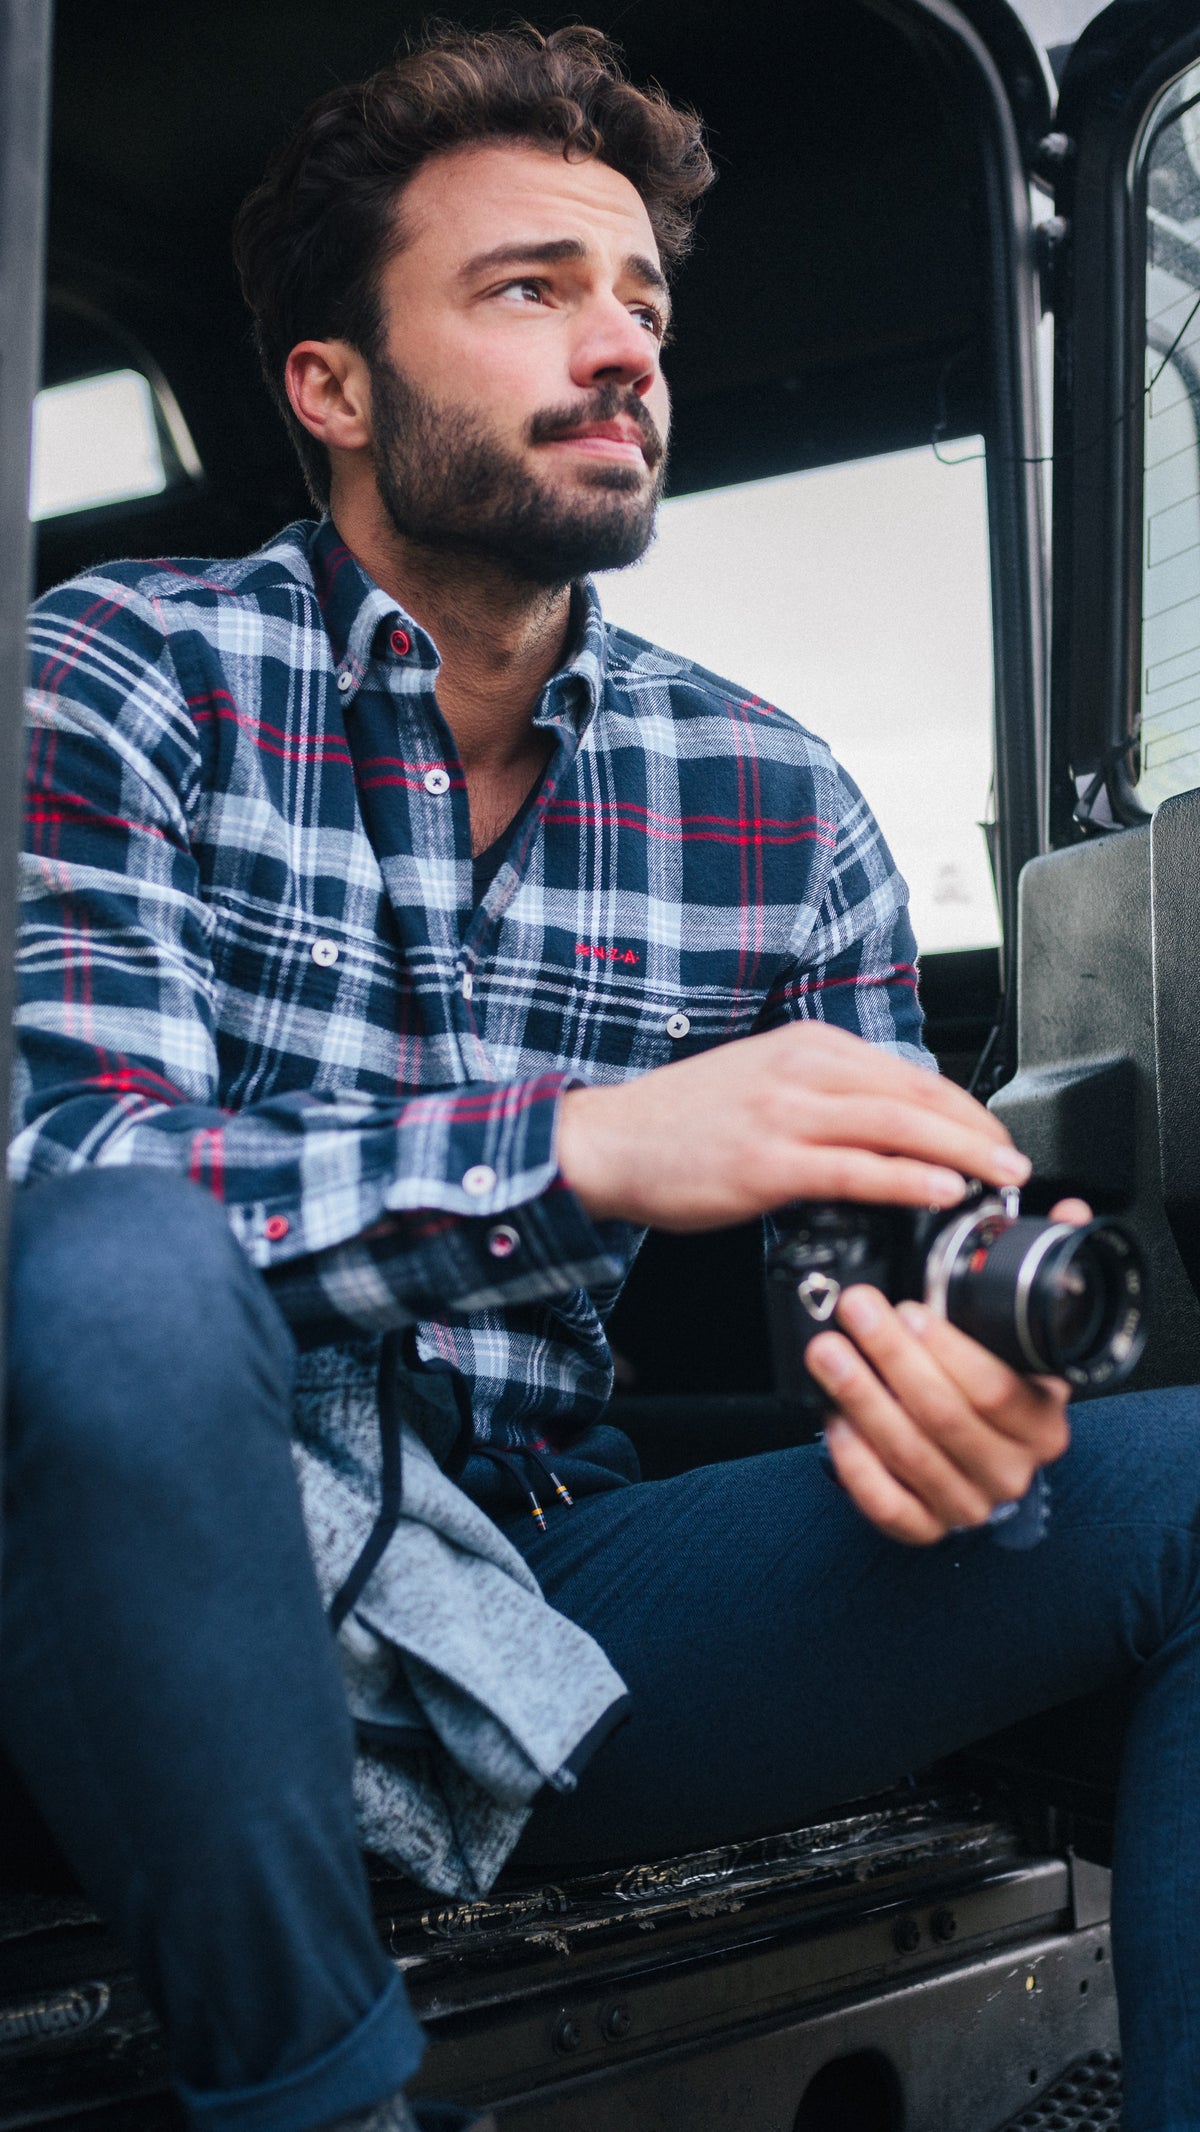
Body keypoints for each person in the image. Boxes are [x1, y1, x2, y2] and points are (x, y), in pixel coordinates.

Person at [5, 23, 1200, 2132]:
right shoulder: (121, 672)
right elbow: (75, 1169)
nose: (624, 342)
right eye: (530, 286)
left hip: (543, 1599)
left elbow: (896, 1245)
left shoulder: (776, 799)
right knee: (105, 1275)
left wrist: (957, 1367)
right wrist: (578, 1156)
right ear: (333, 387)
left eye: (641, 295)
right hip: (149, 1595)